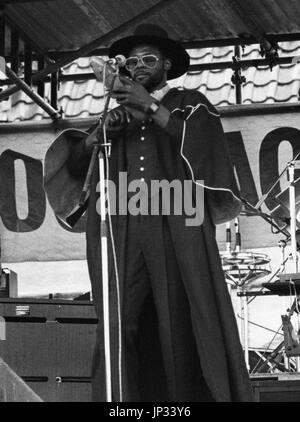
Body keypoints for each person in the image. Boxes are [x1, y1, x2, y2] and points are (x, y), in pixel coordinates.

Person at [44, 24, 253, 402]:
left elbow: (200, 144)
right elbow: (76, 164)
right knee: (119, 320)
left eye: (149, 59)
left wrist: (149, 104)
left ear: (167, 64)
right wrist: (99, 133)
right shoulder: (117, 111)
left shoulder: (189, 100)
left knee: (178, 321)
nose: (139, 66)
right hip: (123, 224)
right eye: (133, 61)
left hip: (176, 220)